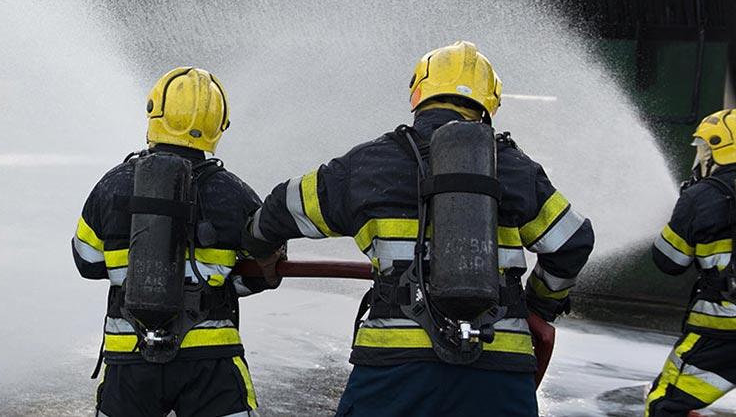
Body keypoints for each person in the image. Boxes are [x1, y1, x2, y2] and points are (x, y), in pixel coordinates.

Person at [241, 41, 594, 417]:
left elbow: (283, 207)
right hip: (498, 369)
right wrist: (537, 306)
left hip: (395, 367)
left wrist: (262, 251)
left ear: (419, 93)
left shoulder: (366, 165)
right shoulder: (516, 169)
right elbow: (573, 243)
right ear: (488, 104)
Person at [72, 67, 280, 417]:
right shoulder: (234, 193)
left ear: (155, 111)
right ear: (219, 125)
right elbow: (260, 271)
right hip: (210, 361)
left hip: (130, 358)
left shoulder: (112, 186)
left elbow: (86, 261)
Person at [645, 109, 736, 417]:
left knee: (664, 405)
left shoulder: (703, 196)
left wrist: (681, 212)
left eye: (705, 149)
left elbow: (670, 260)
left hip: (719, 331)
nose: (702, 157)